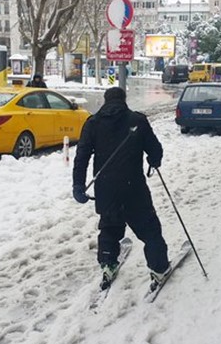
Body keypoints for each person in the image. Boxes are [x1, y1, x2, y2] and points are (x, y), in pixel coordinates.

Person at [72, 87, 171, 289]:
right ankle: (159, 268)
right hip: (133, 188)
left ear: (105, 101)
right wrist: (154, 160)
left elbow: (81, 157)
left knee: (109, 228)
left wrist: (78, 185)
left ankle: (108, 264)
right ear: (124, 100)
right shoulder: (137, 120)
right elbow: (155, 149)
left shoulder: (92, 123)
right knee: (149, 229)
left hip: (106, 189)